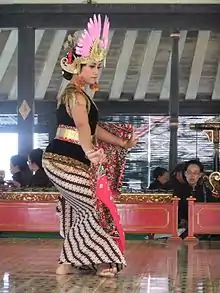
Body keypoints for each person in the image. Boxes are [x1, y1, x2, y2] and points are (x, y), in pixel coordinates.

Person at [42, 14, 137, 277]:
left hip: (68, 159)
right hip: (63, 159)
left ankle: (71, 261)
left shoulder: (82, 95)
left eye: (99, 66)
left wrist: (122, 142)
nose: (96, 70)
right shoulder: (74, 94)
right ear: (77, 67)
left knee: (80, 208)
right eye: (91, 65)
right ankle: (97, 259)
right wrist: (89, 151)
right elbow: (83, 128)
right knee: (96, 205)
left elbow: (92, 129)